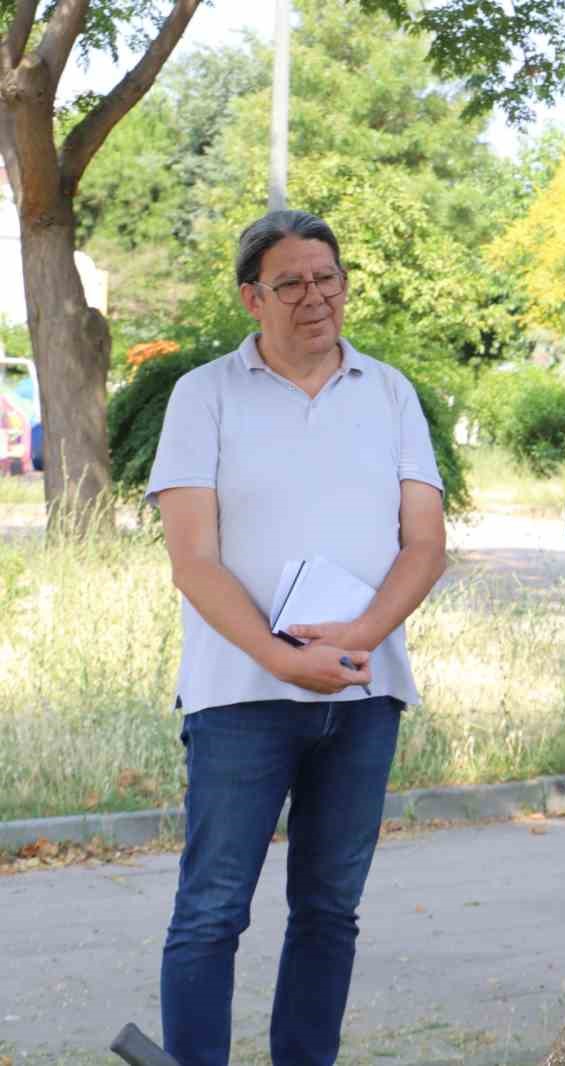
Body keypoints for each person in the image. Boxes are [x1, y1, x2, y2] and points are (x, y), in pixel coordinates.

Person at [149, 209, 447, 1065]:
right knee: (211, 911)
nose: (315, 297)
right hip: (240, 695)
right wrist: (282, 658)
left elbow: (425, 545)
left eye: (328, 278)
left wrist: (358, 639)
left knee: (328, 912)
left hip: (363, 692)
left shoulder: (389, 392)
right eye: (291, 284)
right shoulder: (203, 395)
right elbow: (193, 559)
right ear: (252, 298)